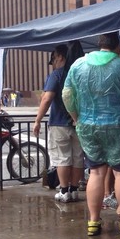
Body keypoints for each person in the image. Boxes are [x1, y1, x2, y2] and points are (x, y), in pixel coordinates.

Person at [62, 32, 120, 236]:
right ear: (118, 46)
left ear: (99, 44)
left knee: (96, 172)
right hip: (118, 125)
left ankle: (93, 222)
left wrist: (76, 118)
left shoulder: (78, 65)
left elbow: (66, 94)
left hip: (88, 126)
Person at [33, 42, 85, 203]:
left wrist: (37, 120)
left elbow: (47, 98)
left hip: (59, 123)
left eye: (54, 59)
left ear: (60, 57)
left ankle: (64, 191)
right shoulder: (80, 73)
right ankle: (75, 189)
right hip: (79, 122)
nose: (53, 63)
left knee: (62, 158)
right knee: (77, 157)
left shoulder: (57, 75)